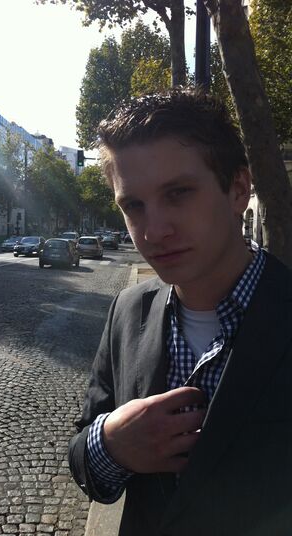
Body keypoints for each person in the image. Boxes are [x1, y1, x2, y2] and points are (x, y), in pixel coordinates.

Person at [68, 89, 292, 536]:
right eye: (133, 206)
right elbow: (83, 455)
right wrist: (110, 445)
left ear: (239, 190)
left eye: (178, 193)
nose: (154, 231)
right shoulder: (127, 310)